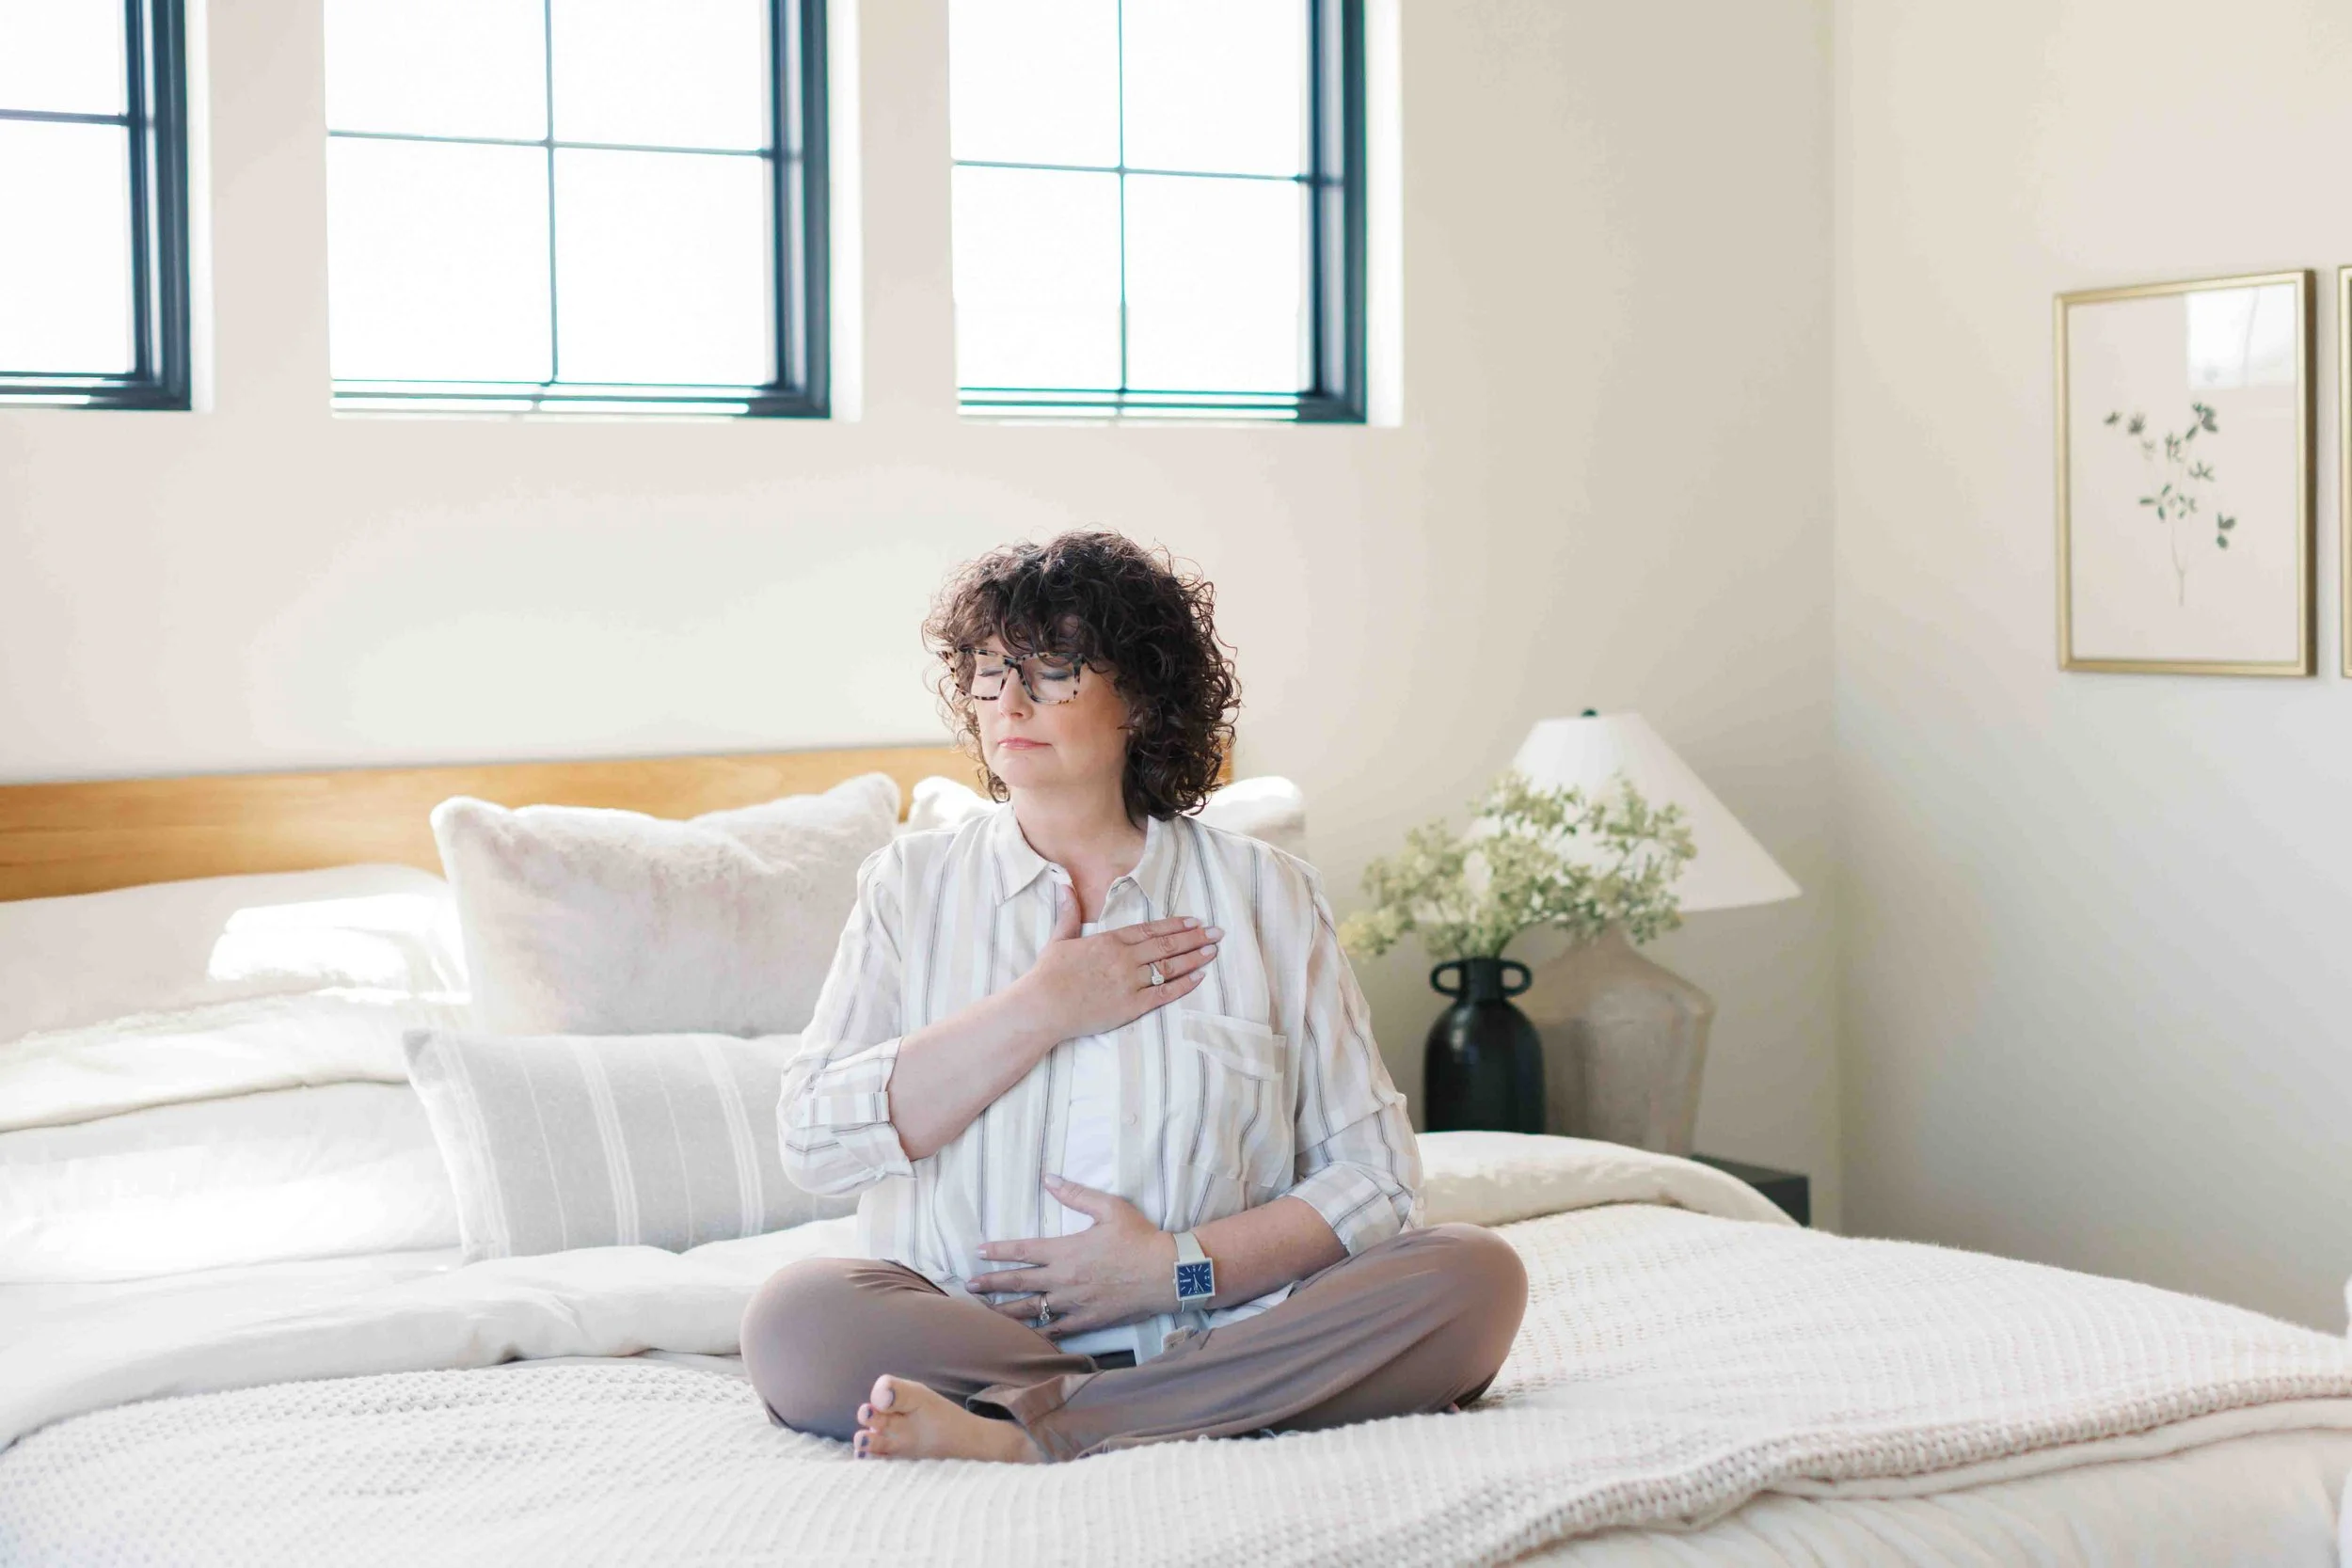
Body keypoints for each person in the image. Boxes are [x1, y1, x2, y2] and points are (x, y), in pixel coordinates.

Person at [741, 531, 1527, 1463]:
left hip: (1225, 1325)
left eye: (1055, 669)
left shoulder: (1265, 892)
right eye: (989, 673)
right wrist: (1042, 1004)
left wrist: (1176, 1267)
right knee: (797, 1319)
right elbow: (816, 1139)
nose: (1011, 700)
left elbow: (1378, 1179)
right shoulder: (907, 885)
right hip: (965, 1336)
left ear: (1142, 698)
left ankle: (1045, 1427)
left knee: (1473, 1274)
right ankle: (1167, 1409)